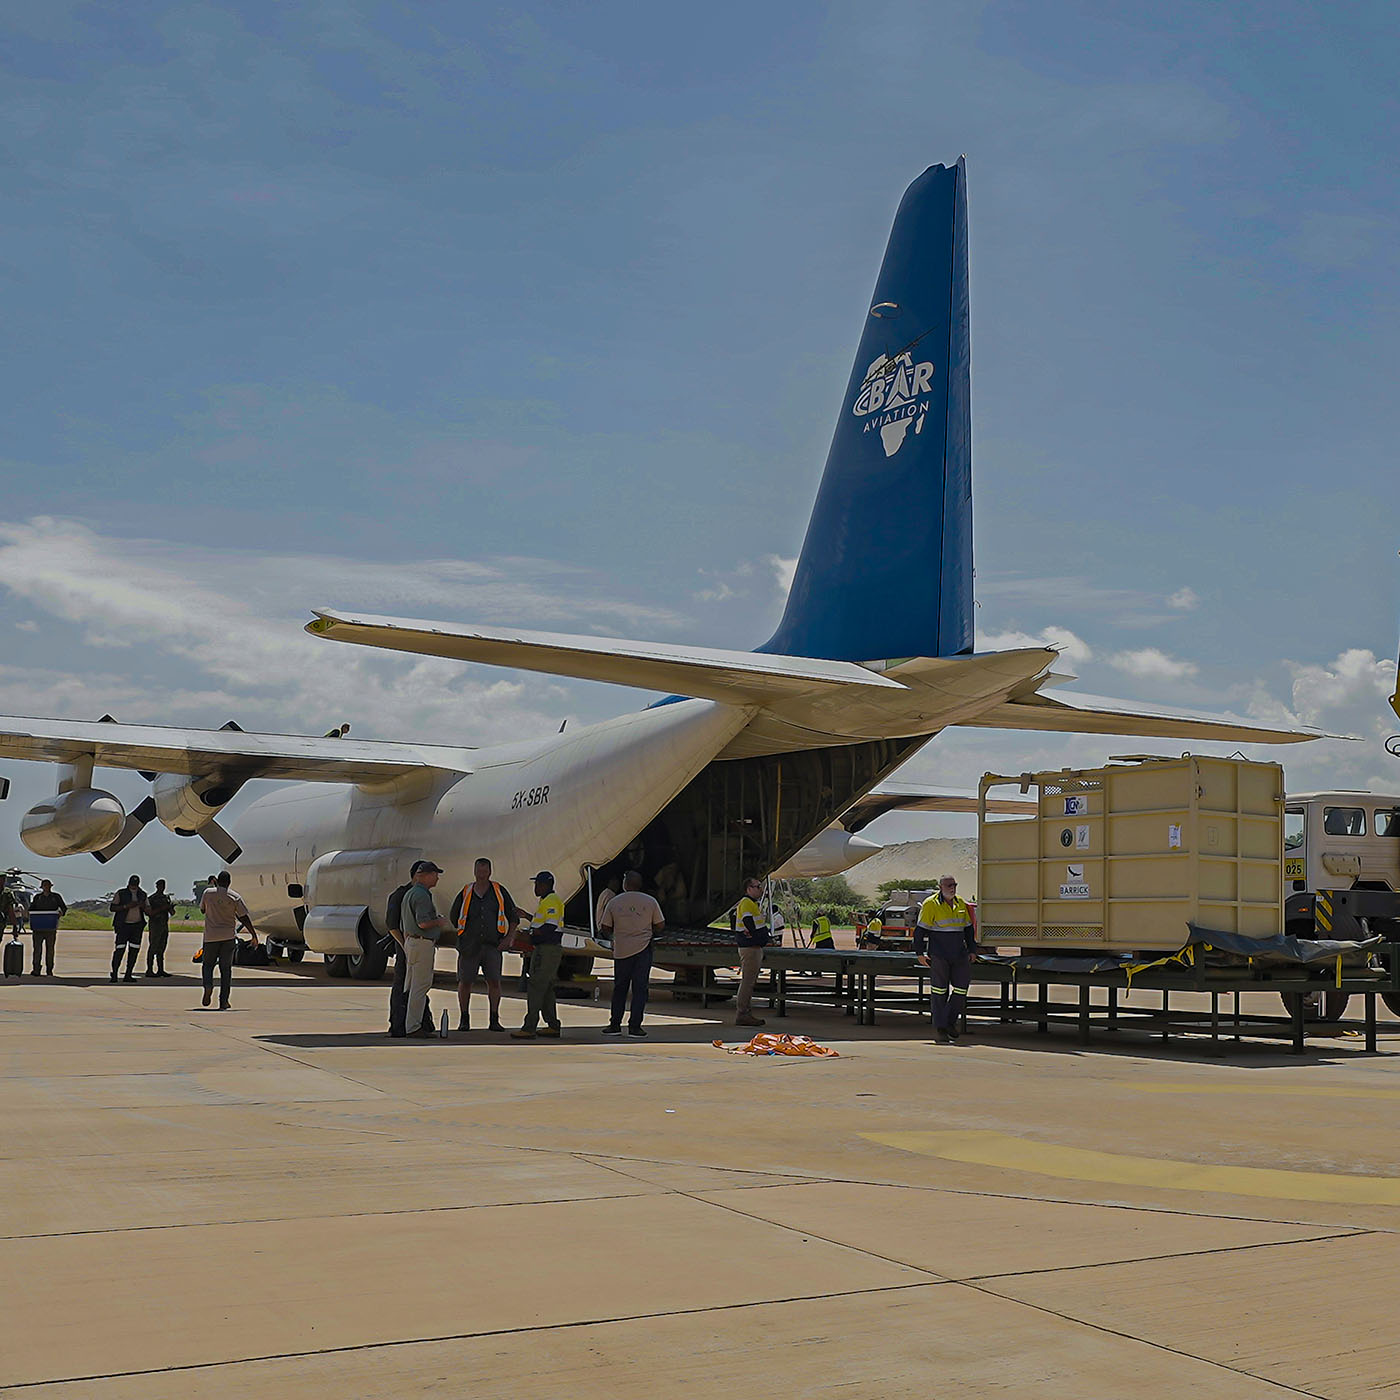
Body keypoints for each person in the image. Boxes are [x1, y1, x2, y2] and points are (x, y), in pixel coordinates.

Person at [449, 858, 518, 1033]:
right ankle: (464, 1019)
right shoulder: (466, 891)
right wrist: (464, 936)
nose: (481, 874)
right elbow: (454, 916)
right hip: (469, 947)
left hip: (492, 946)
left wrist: (508, 938)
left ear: (490, 872)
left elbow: (514, 916)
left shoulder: (499, 891)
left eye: (484, 871)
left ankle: (494, 1019)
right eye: (479, 871)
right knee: (465, 982)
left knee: (494, 982)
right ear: (474, 872)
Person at [599, 870, 664, 1038]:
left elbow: (605, 927)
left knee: (620, 988)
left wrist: (615, 936)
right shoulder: (650, 901)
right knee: (640, 989)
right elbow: (660, 924)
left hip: (621, 950)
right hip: (643, 949)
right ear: (640, 884)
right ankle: (635, 1026)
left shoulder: (614, 902)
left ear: (625, 884)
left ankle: (614, 1024)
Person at [915, 875, 978, 1044]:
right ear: (940, 887)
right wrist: (919, 953)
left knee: (961, 989)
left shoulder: (960, 903)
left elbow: (968, 930)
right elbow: (920, 931)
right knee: (939, 991)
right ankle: (941, 1028)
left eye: (954, 885)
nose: (952, 888)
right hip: (939, 954)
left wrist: (972, 950)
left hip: (959, 954)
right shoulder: (931, 904)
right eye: (949, 885)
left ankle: (949, 1022)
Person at [513, 871, 566, 1039]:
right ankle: (552, 1025)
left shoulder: (552, 901)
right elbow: (543, 922)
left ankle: (529, 1027)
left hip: (547, 949)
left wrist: (530, 935)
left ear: (544, 885)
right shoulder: (546, 901)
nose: (535, 887)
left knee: (536, 986)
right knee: (546, 988)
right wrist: (527, 917)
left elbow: (550, 926)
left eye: (537, 884)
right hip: (544, 948)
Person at [386, 864, 435, 1038]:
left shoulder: (412, 894)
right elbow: (392, 925)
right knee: (406, 986)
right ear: (418, 875)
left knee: (411, 987)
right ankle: (402, 1024)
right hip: (407, 948)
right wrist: (404, 946)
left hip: (409, 946)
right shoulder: (406, 895)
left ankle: (410, 1023)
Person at [402, 860, 450, 1037]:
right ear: (426, 876)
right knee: (420, 986)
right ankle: (413, 1027)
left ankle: (406, 1023)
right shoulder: (422, 896)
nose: (437, 878)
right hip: (422, 943)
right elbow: (422, 923)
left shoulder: (410, 893)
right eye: (435, 874)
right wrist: (439, 921)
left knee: (411, 985)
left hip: (412, 943)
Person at [198, 871, 259, 1010]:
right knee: (226, 970)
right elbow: (243, 917)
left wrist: (214, 887)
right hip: (228, 937)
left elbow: (202, 910)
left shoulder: (208, 893)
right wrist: (253, 934)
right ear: (229, 882)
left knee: (207, 965)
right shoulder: (235, 896)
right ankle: (223, 1001)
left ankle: (208, 985)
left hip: (211, 937)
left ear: (218, 880)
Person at [733, 876, 770, 1027]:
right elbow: (748, 923)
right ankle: (743, 1013)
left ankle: (745, 1013)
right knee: (748, 982)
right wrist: (757, 938)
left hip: (753, 947)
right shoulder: (747, 903)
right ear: (749, 889)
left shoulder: (750, 903)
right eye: (757, 886)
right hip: (750, 948)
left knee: (749, 982)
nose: (761, 889)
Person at [109, 876, 148, 983]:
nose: (134, 886)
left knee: (134, 951)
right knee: (120, 949)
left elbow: (148, 909)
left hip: (137, 927)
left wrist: (143, 906)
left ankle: (128, 974)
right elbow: (112, 907)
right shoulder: (121, 893)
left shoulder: (143, 894)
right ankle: (115, 973)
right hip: (123, 926)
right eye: (132, 884)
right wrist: (126, 906)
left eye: (135, 884)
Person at [28, 879, 65, 977]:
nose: (46, 887)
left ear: (50, 886)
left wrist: (60, 912)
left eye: (47, 885)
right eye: (44, 885)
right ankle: (36, 969)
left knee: (50, 950)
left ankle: (49, 969)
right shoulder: (37, 897)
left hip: (51, 928)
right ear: (42, 887)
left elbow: (63, 908)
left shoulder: (56, 897)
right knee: (37, 950)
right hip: (38, 928)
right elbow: (31, 910)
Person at [145, 879, 174, 977]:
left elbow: (172, 913)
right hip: (155, 925)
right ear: (156, 886)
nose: (162, 887)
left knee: (162, 948)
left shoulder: (166, 898)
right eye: (160, 885)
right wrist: (162, 908)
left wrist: (170, 908)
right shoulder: (152, 898)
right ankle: (149, 970)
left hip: (164, 925)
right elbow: (149, 912)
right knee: (153, 947)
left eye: (163, 885)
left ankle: (160, 969)